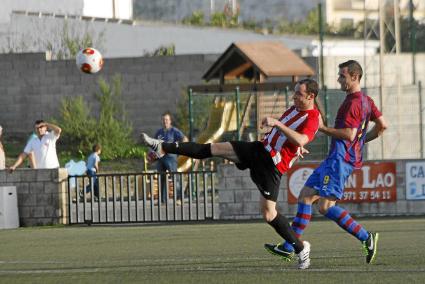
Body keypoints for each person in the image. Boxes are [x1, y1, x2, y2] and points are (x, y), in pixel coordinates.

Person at [141, 78, 321, 269]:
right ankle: (163, 147)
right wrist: (292, 141)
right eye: (294, 92)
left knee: (269, 214)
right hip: (258, 150)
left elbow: (301, 138)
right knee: (212, 148)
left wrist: (280, 126)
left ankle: (301, 248)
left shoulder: (313, 117)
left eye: (299, 94)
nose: (294, 96)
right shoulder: (294, 108)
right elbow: (292, 138)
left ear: (311, 96)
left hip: (271, 166)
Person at [267, 60, 388, 265]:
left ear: (355, 77)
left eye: (343, 76)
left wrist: (322, 129)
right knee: (306, 196)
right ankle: (289, 246)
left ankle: (366, 237)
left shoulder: (353, 103)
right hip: (338, 159)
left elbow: (349, 134)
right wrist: (360, 141)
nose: (339, 79)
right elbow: (382, 126)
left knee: (324, 206)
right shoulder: (366, 100)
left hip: (339, 160)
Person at [153, 112, 188, 203]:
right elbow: (154, 144)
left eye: (167, 120)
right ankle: (162, 200)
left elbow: (185, 139)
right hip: (160, 158)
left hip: (171, 158)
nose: (165, 121)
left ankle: (179, 198)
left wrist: (180, 147)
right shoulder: (159, 132)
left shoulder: (174, 131)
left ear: (170, 121)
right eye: (163, 120)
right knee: (161, 178)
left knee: (175, 178)